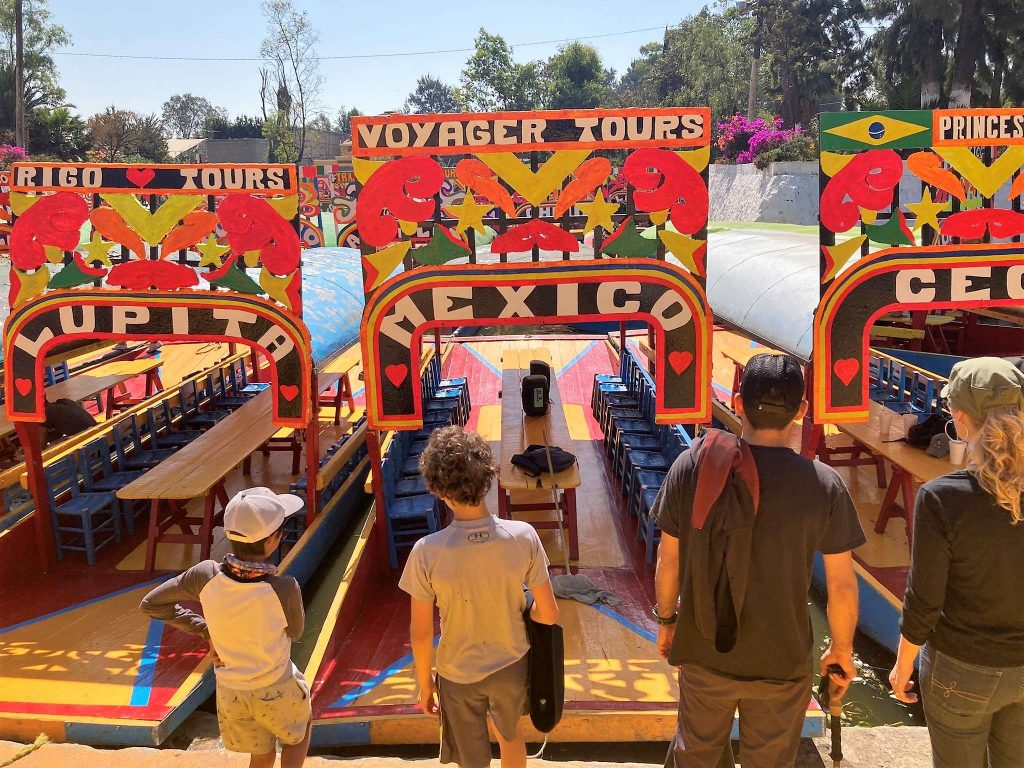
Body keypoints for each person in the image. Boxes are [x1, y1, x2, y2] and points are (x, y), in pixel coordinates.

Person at [654, 353, 865, 768]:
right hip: (781, 661)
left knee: (695, 758)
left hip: (705, 649)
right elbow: (841, 585)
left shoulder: (694, 464)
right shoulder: (823, 484)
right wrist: (841, 650)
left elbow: (669, 556)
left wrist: (666, 621)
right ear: (802, 411)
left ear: (736, 402)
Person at [890, 357, 1024, 768]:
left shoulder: (942, 496)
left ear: (960, 418)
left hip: (961, 669)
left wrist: (902, 667)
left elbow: (924, 600)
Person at [399, 426, 560, 768]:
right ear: (488, 479)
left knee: (470, 758)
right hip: (512, 662)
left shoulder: (425, 552)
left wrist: (426, 684)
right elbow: (548, 614)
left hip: (457, 673)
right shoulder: (523, 536)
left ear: (438, 490)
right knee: (511, 737)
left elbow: (421, 633)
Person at [140, 487, 311, 768]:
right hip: (275, 685)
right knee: (298, 735)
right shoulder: (283, 588)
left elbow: (152, 603)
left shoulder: (204, 575)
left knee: (260, 752)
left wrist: (207, 630)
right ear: (272, 541)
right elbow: (296, 632)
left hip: (230, 692)